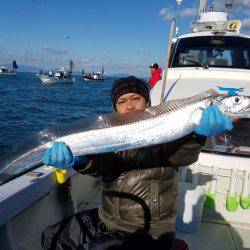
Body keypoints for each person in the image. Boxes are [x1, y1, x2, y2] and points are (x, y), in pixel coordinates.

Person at [43, 76, 233, 248]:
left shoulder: (166, 131)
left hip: (148, 230)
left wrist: (194, 135)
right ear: (115, 109)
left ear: (147, 103)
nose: (129, 106)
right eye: (122, 101)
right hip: (106, 217)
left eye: (136, 98)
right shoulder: (113, 136)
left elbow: (182, 156)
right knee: (52, 237)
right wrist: (81, 159)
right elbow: (104, 167)